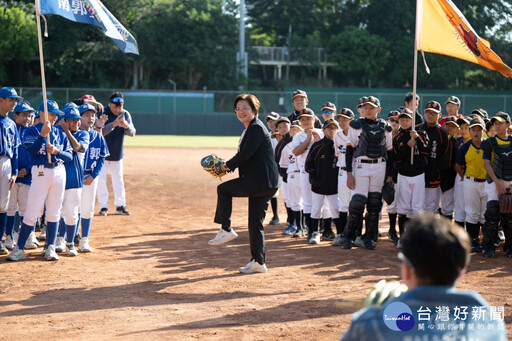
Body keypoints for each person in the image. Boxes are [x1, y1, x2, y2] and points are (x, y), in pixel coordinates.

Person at [340, 212, 506, 340]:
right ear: (462, 272)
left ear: (406, 269)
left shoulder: (371, 325)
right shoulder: (489, 322)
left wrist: (375, 314)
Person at [208, 94, 279, 274]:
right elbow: (247, 156)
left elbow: (245, 154)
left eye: (245, 108)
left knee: (223, 189)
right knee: (255, 223)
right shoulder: (250, 129)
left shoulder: (256, 128)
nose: (241, 112)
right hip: (263, 182)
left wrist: (225, 167)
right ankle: (258, 262)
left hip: (259, 181)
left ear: (254, 110)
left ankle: (226, 229)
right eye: (238, 109)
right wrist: (227, 166)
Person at [6, 100, 72, 261]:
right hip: (40, 172)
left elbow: (69, 156)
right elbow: (32, 152)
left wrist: (57, 151)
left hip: (59, 171)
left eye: (56, 115)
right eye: (52, 113)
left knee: (54, 211)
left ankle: (50, 247)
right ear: (41, 113)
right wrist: (42, 134)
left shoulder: (59, 132)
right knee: (32, 211)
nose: (55, 117)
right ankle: (20, 248)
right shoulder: (32, 131)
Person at [342, 96, 394, 250]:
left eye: (372, 108)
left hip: (379, 166)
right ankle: (350, 237)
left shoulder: (386, 127)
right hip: (361, 166)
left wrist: (390, 175)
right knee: (357, 203)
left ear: (379, 110)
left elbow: (390, 152)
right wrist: (349, 173)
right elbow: (349, 149)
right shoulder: (356, 126)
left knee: (374, 203)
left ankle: (370, 237)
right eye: (366, 108)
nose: (368, 110)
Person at [55, 104, 90, 256]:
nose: (76, 122)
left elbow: (76, 147)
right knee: (55, 212)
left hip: (74, 180)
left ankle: (70, 243)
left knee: (71, 212)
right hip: (57, 178)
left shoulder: (83, 135)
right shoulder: (57, 133)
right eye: (72, 120)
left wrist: (67, 131)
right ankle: (57, 240)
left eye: (77, 119)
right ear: (65, 121)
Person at [392, 108, 429, 247]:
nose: (404, 121)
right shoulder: (397, 137)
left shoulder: (421, 133)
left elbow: (426, 151)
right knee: (403, 208)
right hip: (403, 175)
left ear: (412, 120)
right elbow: (396, 159)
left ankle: (416, 238)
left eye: (407, 119)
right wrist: (407, 146)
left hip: (418, 174)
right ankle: (403, 237)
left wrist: (417, 139)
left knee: (418, 208)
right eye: (402, 119)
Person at [4, 101, 37, 251]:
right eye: (24, 115)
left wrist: (28, 169)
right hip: (12, 175)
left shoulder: (34, 132)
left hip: (28, 177)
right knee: (10, 207)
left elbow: (36, 154)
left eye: (30, 115)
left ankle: (29, 236)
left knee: (26, 208)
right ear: (15, 115)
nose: (28, 119)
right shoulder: (11, 129)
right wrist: (15, 170)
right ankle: (9, 236)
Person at [96, 92, 135, 216]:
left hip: (117, 153)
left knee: (118, 180)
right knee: (101, 180)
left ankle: (120, 206)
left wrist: (126, 126)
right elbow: (99, 132)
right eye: (115, 106)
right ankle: (103, 207)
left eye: (120, 106)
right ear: (109, 104)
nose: (118, 109)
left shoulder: (125, 114)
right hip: (102, 153)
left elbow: (133, 133)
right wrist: (113, 124)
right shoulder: (103, 113)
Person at [78, 103, 109, 252]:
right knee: (71, 208)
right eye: (86, 115)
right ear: (79, 117)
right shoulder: (74, 135)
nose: (91, 118)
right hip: (75, 176)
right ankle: (67, 238)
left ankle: (85, 239)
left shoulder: (98, 136)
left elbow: (102, 158)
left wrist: (94, 176)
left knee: (88, 208)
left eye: (92, 115)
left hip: (90, 176)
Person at [481, 112, 512, 258]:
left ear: (508, 125)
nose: (497, 125)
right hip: (494, 181)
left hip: (510, 181)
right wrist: (498, 183)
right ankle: (488, 246)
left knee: (510, 216)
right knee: (492, 213)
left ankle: (510, 247)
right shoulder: (489, 142)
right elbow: (487, 164)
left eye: (500, 123)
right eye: (495, 123)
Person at [305, 118, 341, 244]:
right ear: (324, 129)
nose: (332, 130)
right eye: (329, 128)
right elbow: (308, 164)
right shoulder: (317, 145)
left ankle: (340, 234)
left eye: (334, 128)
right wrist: (314, 178)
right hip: (319, 184)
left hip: (335, 185)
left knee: (336, 209)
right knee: (316, 209)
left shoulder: (339, 145)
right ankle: (315, 233)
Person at [455, 117, 487, 253]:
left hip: (487, 183)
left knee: (485, 213)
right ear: (470, 130)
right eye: (473, 129)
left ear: (483, 131)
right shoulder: (465, 147)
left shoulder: (489, 145)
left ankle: (487, 241)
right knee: (472, 212)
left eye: (479, 130)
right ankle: (473, 240)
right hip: (471, 182)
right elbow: (458, 166)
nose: (476, 132)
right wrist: (465, 177)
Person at [291, 108, 324, 238]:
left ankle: (325, 230)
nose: (305, 121)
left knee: (323, 203)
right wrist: (308, 139)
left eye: (308, 119)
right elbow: (296, 152)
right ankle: (311, 231)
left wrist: (317, 137)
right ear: (299, 122)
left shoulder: (322, 132)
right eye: (302, 119)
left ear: (314, 119)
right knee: (308, 202)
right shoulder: (298, 136)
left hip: (322, 172)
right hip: (305, 173)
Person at [418, 101, 450, 213]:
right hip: (416, 175)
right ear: (424, 113)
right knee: (415, 205)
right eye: (428, 112)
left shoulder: (443, 133)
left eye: (433, 113)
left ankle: (427, 230)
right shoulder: (417, 130)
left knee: (430, 206)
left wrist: (437, 172)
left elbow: (446, 156)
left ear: (439, 115)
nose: (430, 115)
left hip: (433, 176)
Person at [0, 87, 22, 254]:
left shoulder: (11, 124)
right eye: (11, 100)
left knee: (3, 205)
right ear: (1, 100)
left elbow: (15, 150)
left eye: (15, 100)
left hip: (6, 163)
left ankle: (0, 240)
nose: (14, 103)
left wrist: (14, 171)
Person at [333, 108, 355, 246]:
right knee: (343, 204)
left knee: (356, 204)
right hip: (342, 171)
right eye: (340, 120)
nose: (341, 122)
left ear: (351, 121)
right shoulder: (337, 135)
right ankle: (341, 233)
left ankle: (355, 234)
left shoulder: (357, 134)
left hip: (356, 172)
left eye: (344, 120)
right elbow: (337, 155)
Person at [279, 120, 304, 237]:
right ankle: (299, 228)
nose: (295, 132)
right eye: (293, 129)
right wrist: (286, 177)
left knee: (308, 202)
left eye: (297, 129)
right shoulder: (287, 147)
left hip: (305, 174)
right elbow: (283, 165)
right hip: (293, 175)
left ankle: (308, 227)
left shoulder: (308, 144)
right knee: (295, 202)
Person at [273, 116, 295, 234]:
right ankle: (292, 223)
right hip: (285, 176)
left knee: (297, 200)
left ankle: (300, 224)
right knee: (288, 200)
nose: (283, 128)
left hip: (296, 175)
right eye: (280, 127)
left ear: (289, 126)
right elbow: (277, 161)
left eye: (285, 126)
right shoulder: (280, 144)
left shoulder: (295, 139)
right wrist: (283, 175)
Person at [265, 111, 281, 225]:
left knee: (291, 195)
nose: (271, 123)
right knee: (273, 192)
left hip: (283, 167)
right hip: (272, 168)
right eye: (269, 121)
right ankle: (275, 216)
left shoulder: (283, 135)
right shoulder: (267, 135)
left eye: (273, 121)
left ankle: (293, 220)